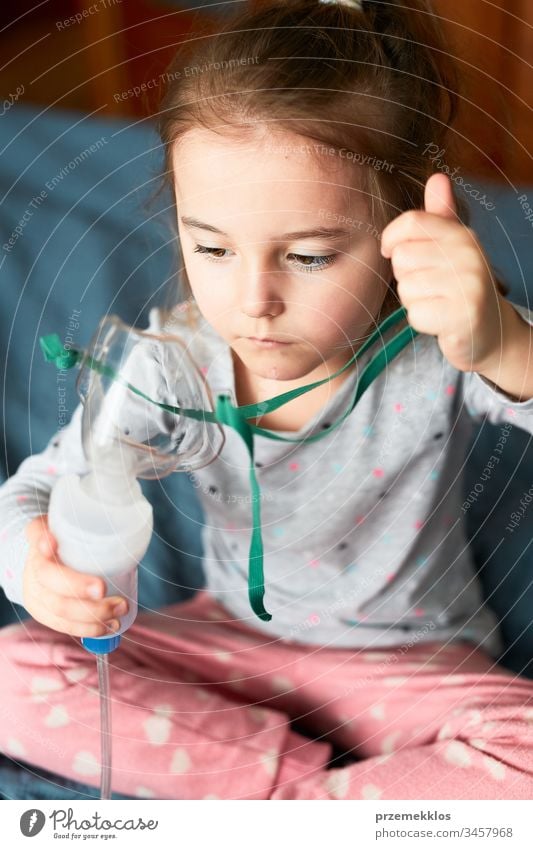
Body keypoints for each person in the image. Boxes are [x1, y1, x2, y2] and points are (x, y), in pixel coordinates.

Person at [1, 0, 533, 801]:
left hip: (409, 665)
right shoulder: (173, 366)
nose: (253, 299)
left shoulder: (441, 348)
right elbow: (39, 487)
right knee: (15, 672)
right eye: (211, 246)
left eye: (310, 255)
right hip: (230, 648)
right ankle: (300, 800)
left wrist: (499, 341)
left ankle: (264, 799)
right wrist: (35, 566)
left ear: (401, 232)